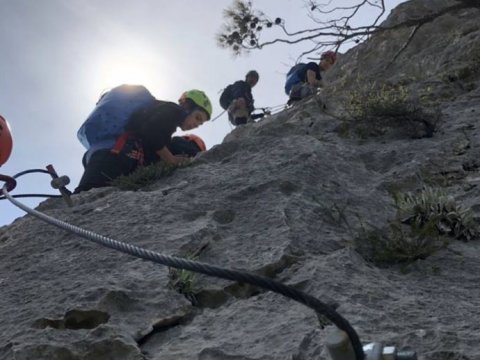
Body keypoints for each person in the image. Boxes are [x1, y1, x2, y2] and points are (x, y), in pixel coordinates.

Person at [74, 90, 212, 193]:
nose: (196, 125)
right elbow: (151, 132)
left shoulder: (160, 114)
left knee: (87, 196)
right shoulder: (173, 110)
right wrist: (171, 159)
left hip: (107, 152)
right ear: (187, 106)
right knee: (85, 197)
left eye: (200, 124)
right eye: (198, 117)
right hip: (115, 153)